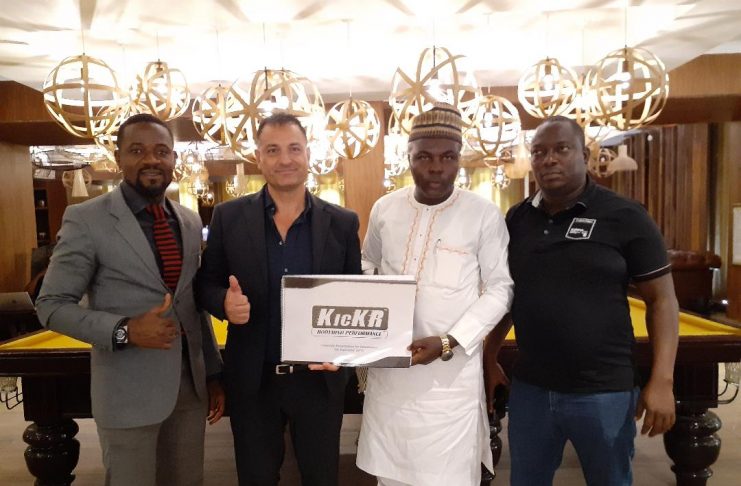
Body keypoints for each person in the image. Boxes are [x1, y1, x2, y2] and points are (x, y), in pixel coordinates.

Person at [484, 115, 679, 486]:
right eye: (539, 152)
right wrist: (489, 355)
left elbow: (663, 301)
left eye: (561, 149)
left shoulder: (626, 216)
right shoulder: (517, 219)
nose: (549, 159)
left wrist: (662, 380)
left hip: (605, 392)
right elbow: (507, 294)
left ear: (585, 155)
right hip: (532, 390)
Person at [35, 113, 225, 486]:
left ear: (173, 159)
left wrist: (214, 374)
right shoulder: (87, 219)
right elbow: (51, 305)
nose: (151, 159)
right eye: (137, 150)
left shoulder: (188, 221)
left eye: (161, 151)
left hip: (189, 391)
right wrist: (125, 330)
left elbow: (191, 303)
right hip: (127, 393)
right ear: (118, 157)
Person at [195, 112, 362, 486]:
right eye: (273, 150)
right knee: (256, 478)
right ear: (258, 157)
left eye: (294, 149)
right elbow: (205, 284)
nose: (285, 159)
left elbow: (354, 297)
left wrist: (344, 357)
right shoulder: (227, 217)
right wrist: (223, 303)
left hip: (319, 380)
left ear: (308, 154)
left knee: (321, 478)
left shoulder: (342, 222)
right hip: (254, 380)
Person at [355, 102, 514, 486]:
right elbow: (366, 264)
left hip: (450, 382)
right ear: (408, 156)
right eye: (424, 156)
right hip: (390, 378)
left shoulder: (483, 214)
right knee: (390, 479)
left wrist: (448, 341)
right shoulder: (385, 209)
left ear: (459, 158)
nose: (436, 167)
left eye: (448, 157)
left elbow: (501, 288)